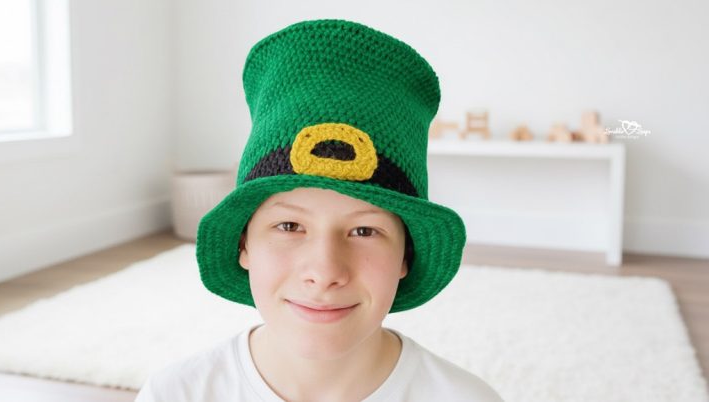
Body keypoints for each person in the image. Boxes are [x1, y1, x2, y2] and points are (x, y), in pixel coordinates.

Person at [135, 18, 504, 402]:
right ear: (244, 244)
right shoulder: (173, 394)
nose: (324, 273)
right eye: (290, 225)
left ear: (404, 256)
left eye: (364, 231)